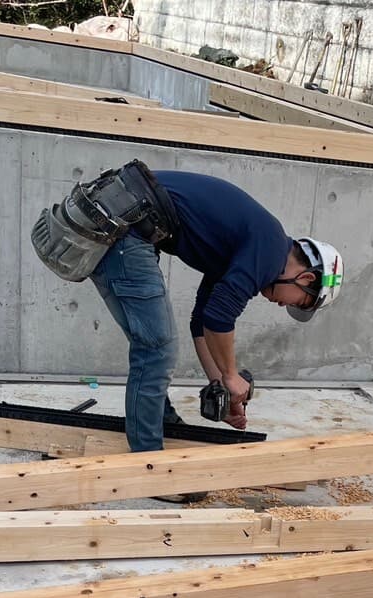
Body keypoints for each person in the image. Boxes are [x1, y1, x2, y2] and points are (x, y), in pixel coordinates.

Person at [86, 166, 344, 452]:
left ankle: (161, 422)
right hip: (125, 226)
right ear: (305, 278)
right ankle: (148, 460)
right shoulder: (271, 252)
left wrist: (221, 384)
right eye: (298, 301)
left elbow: (202, 321)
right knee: (157, 349)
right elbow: (220, 318)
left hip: (118, 217)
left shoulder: (252, 247)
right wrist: (231, 375)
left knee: (153, 345)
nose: (284, 304)